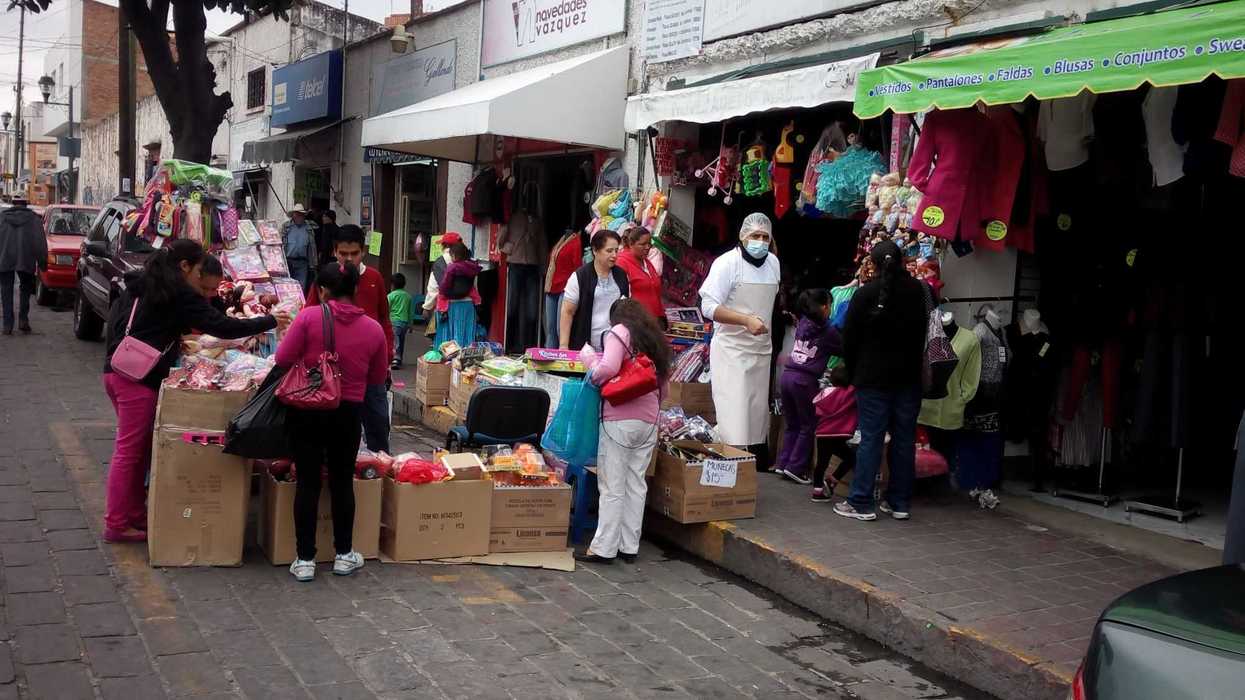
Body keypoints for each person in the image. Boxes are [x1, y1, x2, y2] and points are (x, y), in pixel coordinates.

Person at [101, 240, 284, 543]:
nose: (201, 280)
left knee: (139, 451)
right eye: (199, 271)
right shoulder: (178, 292)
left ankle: (133, 515)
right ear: (185, 266)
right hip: (137, 381)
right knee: (129, 453)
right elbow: (222, 327)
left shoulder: (144, 282)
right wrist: (270, 321)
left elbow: (119, 323)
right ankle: (116, 523)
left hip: (118, 371)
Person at [276, 262, 389, 582]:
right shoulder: (373, 329)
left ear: (322, 291)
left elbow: (282, 359)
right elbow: (377, 377)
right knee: (341, 481)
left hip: (307, 409)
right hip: (348, 411)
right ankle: (343, 555)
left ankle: (305, 559)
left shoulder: (309, 317)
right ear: (354, 290)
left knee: (308, 480)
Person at [836, 240, 927, 522]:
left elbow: (848, 339)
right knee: (903, 440)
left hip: (873, 378)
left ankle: (861, 501)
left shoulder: (865, 294)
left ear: (872, 265)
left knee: (871, 439)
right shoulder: (919, 291)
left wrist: (850, 371)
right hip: (908, 378)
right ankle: (898, 502)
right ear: (902, 261)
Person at [576, 298, 672, 565]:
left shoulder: (619, 332)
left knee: (612, 484)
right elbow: (664, 387)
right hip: (649, 421)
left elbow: (607, 369)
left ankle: (604, 548)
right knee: (635, 483)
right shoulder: (655, 340)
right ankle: (629, 546)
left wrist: (589, 362)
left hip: (620, 419)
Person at [698, 213, 780, 469]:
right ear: (743, 237)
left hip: (760, 352)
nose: (760, 241)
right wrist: (744, 320)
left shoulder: (774, 264)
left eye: (765, 237)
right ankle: (725, 472)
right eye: (755, 236)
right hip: (732, 352)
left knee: (755, 420)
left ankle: (743, 475)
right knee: (733, 418)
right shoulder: (726, 264)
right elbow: (708, 306)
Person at [307, 225, 395, 453]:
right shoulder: (326, 278)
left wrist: (387, 357)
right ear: (334, 252)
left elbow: (385, 319)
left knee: (377, 423)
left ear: (363, 251)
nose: (348, 259)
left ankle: (380, 472)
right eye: (343, 253)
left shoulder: (374, 278)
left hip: (370, 367)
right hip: (330, 370)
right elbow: (308, 314)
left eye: (353, 254)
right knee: (337, 433)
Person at [774, 288, 842, 484]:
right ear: (822, 307)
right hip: (804, 381)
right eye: (829, 305)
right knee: (808, 425)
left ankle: (783, 463)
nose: (831, 309)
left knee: (792, 424)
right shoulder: (828, 331)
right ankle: (796, 468)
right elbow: (844, 348)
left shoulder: (803, 323)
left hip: (788, 376)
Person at [560, 230, 629, 352]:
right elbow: (567, 312)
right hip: (586, 347)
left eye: (616, 250)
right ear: (595, 251)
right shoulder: (580, 277)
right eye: (609, 251)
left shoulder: (621, 275)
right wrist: (564, 346)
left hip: (615, 347)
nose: (614, 255)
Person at [498, 199, 547, 353]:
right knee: (512, 307)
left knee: (532, 311)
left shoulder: (537, 221)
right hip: (516, 265)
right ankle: (510, 343)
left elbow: (542, 245)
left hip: (532, 266)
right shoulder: (513, 217)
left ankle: (528, 344)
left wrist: (543, 267)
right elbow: (501, 241)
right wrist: (510, 249)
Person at [811, 364, 858, 503]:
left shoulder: (825, 392)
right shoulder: (849, 392)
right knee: (851, 458)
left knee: (821, 463)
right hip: (839, 434)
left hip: (823, 432)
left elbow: (818, 410)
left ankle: (817, 491)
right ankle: (833, 479)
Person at [0, 196, 47, 335]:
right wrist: (42, 262)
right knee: (25, 289)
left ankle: (7, 325)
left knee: (6, 290)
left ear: (13, 204)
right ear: (26, 204)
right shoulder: (34, 220)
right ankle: (23, 320)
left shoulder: (2, 218)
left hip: (5, 258)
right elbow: (40, 243)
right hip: (26, 258)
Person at [432, 242, 482, 349]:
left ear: (454, 255)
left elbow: (445, 285)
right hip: (469, 304)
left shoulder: (452, 267)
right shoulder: (473, 267)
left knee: (452, 336)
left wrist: (443, 292)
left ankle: (452, 361)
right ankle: (466, 359)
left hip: (453, 305)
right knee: (466, 334)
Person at [544, 227, 586, 347]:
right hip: (552, 288)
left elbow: (577, 266)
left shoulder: (576, 241)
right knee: (550, 329)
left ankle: (561, 359)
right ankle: (548, 359)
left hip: (565, 287)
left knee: (560, 329)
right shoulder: (562, 239)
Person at [616, 225, 664, 324]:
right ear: (631, 244)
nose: (647, 247)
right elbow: (621, 298)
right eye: (642, 244)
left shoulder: (646, 262)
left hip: (653, 322)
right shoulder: (622, 263)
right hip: (637, 324)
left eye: (649, 244)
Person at [421, 231, 464, 340]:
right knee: (460, 341)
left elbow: (433, 289)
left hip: (444, 308)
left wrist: (427, 307)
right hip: (465, 307)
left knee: (444, 343)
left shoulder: (440, 262)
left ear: (445, 245)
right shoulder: (467, 259)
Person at [281, 204, 318, 293]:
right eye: (296, 214)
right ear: (293, 215)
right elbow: (280, 243)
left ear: (304, 216)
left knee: (301, 287)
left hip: (302, 262)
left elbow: (312, 246)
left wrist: (313, 262)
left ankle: (300, 306)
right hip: (288, 261)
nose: (298, 216)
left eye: (300, 214)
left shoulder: (309, 228)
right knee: (287, 287)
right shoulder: (286, 227)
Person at [388, 273, 414, 369]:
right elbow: (410, 312)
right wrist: (411, 325)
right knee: (401, 340)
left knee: (395, 341)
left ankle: (396, 358)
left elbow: (387, 309)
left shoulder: (391, 296)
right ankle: (399, 358)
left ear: (392, 285)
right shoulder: (408, 296)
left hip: (394, 321)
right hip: (404, 323)